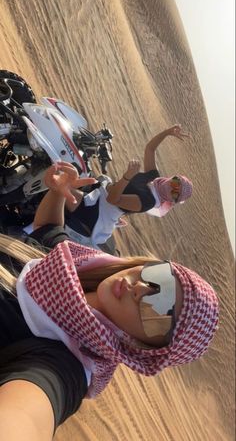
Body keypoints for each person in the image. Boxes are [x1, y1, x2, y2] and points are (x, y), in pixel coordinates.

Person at [0, 162, 218, 441]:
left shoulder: (63, 364)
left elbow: (26, 416)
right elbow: (50, 229)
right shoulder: (73, 269)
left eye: (160, 311)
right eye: (159, 279)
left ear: (145, 347)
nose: (140, 290)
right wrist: (57, 193)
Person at [64, 124, 193, 247]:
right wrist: (167, 132)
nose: (172, 187)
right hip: (101, 189)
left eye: (176, 192)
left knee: (61, 187)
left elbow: (112, 200)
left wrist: (127, 176)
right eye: (176, 182)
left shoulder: (148, 201)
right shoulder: (154, 177)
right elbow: (150, 148)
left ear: (172, 201)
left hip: (99, 209)